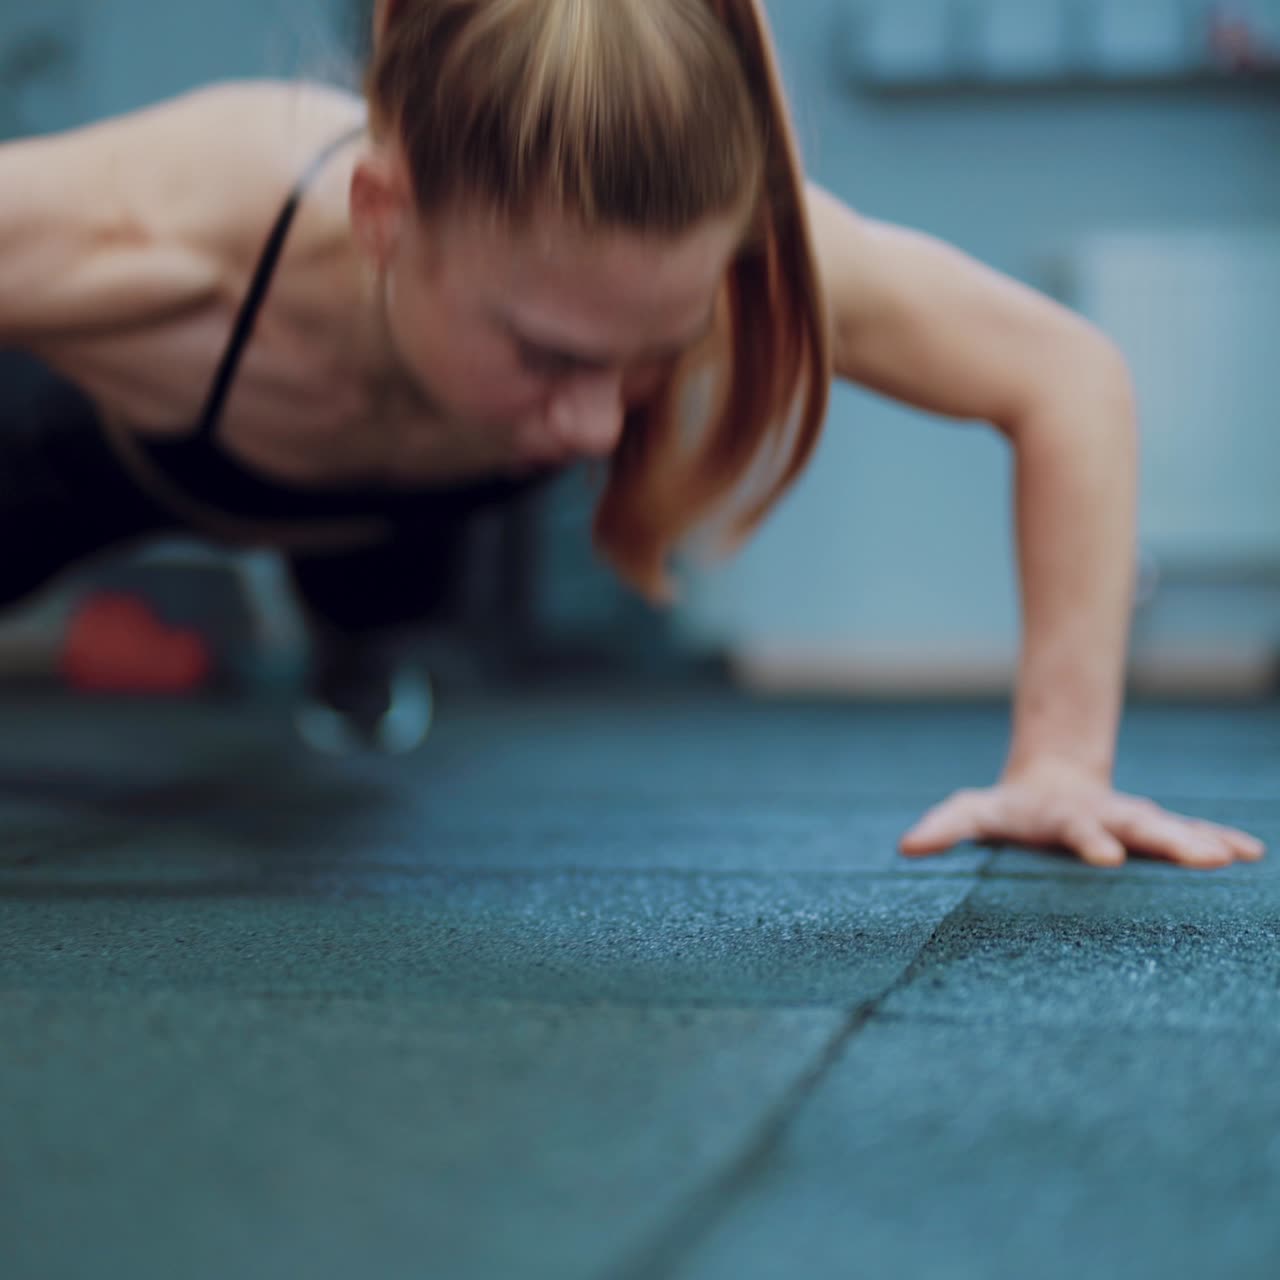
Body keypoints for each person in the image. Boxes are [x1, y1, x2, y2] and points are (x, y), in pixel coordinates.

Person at [0, 0, 1263, 869]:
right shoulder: (151, 232)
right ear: (384, 217)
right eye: (553, 349)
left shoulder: (736, 247)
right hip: (113, 460)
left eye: (652, 350)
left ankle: (358, 649)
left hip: (419, 499)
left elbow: (1066, 374)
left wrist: (1059, 759)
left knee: (381, 595)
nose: (603, 421)